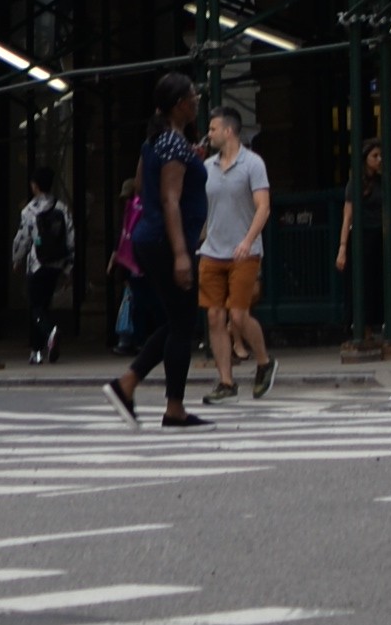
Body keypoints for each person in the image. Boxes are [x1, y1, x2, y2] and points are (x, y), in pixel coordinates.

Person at [109, 82, 207, 430]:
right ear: (180, 104)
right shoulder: (172, 144)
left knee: (177, 320)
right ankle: (170, 406)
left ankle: (130, 385)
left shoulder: (156, 142)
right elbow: (169, 200)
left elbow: (139, 185)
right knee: (183, 323)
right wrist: (182, 254)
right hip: (167, 242)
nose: (197, 102)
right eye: (193, 98)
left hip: (150, 239)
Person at [197, 109, 273, 393]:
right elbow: (204, 208)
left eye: (213, 128)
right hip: (212, 250)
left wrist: (247, 240)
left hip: (244, 251)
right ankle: (226, 382)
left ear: (229, 131)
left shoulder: (253, 164)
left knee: (238, 315)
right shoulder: (206, 167)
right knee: (214, 317)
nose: (209, 134)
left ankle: (264, 361)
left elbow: (263, 206)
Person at [12, 179, 76, 367]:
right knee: (43, 306)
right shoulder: (62, 208)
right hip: (55, 265)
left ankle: (48, 335)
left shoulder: (29, 210)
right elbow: (71, 237)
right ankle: (37, 351)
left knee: (35, 307)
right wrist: (68, 267)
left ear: (35, 186)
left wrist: (16, 259)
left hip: (37, 264)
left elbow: (23, 237)